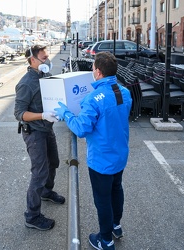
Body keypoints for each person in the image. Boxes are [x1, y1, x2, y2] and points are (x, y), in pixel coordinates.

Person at [55, 52, 132, 249]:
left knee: (103, 199)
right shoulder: (124, 91)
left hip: (101, 159)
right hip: (119, 154)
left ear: (97, 72)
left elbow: (81, 128)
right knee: (117, 189)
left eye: (93, 69)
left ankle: (105, 240)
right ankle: (116, 225)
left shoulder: (92, 99)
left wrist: (66, 113)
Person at [14, 45, 65, 231]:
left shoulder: (44, 76)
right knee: (39, 172)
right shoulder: (26, 83)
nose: (48, 60)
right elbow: (19, 113)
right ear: (33, 60)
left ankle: (46, 191)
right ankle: (32, 216)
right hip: (34, 132)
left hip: (47, 129)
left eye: (47, 56)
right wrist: (42, 116)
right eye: (44, 57)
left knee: (54, 162)